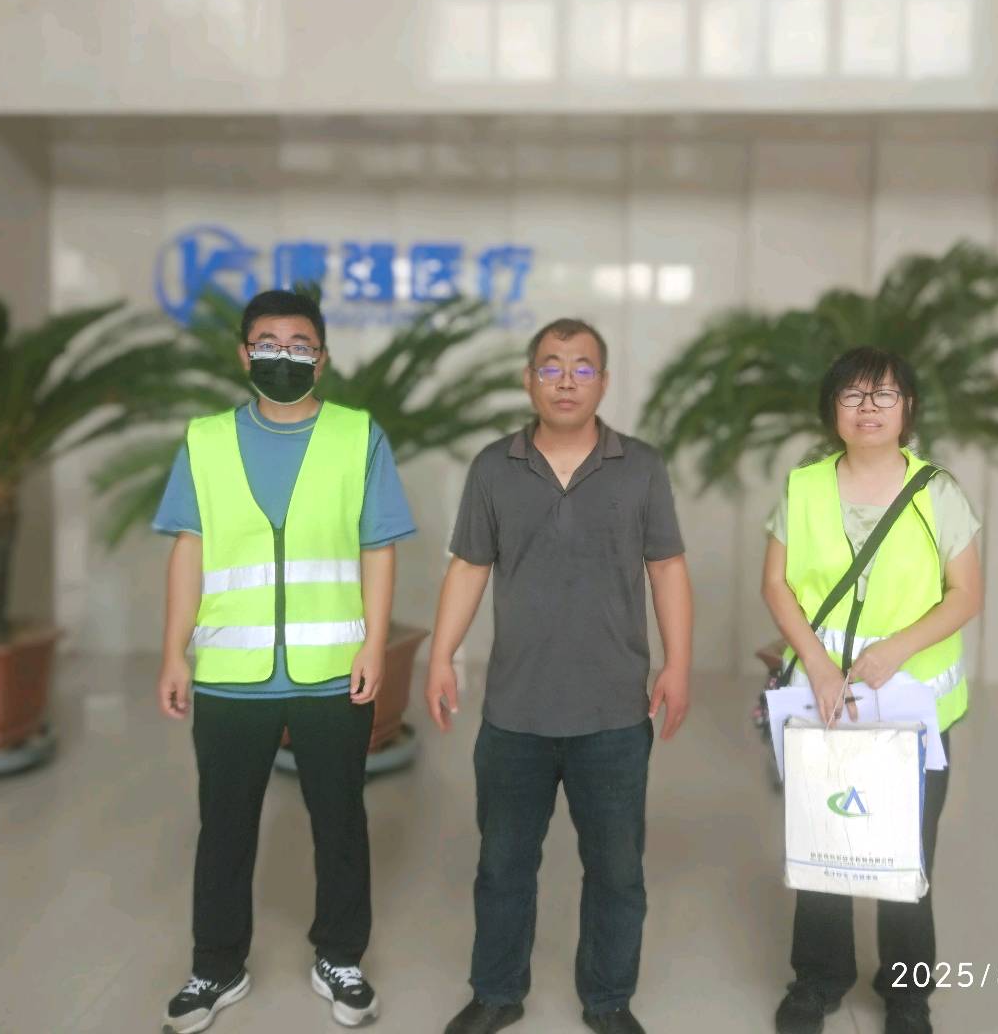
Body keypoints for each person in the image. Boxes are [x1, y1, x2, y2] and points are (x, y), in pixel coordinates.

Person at [153, 289, 416, 1032]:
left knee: (340, 819)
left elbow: (378, 547)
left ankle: (340, 956)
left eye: (300, 345)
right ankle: (216, 966)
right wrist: (173, 652)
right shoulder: (205, 440)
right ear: (244, 353)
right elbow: (189, 550)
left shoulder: (358, 436)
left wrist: (373, 644)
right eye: (267, 343)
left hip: (332, 670)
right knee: (224, 824)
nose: (283, 356)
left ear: (321, 359)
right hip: (231, 676)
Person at [426, 318, 694, 1034]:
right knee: (502, 866)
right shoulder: (494, 467)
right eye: (551, 367)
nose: (566, 380)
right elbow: (469, 566)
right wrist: (441, 654)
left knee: (617, 872)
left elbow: (667, 568)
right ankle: (496, 992)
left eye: (582, 368)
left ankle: (608, 1000)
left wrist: (678, 664)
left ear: (603, 383)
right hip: (515, 713)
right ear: (528, 380)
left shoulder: (640, 467)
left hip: (614, 714)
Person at [762, 346, 983, 1034]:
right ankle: (817, 979)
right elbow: (776, 584)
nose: (868, 408)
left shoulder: (939, 492)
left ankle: (907, 992)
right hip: (821, 698)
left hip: (911, 704)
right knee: (823, 838)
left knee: (905, 849)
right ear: (832, 409)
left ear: (907, 407)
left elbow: (965, 593)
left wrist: (897, 649)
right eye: (852, 396)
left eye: (883, 395)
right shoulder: (803, 488)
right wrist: (818, 663)